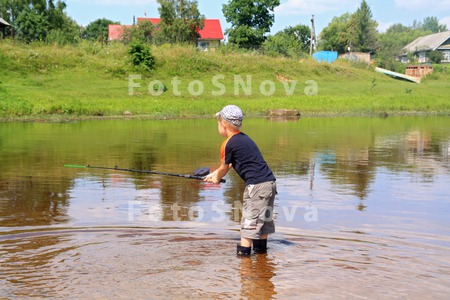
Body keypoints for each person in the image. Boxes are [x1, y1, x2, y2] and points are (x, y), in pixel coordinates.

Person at [204, 105, 277, 256]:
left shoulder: (228, 144)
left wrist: (217, 178)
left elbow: (225, 168)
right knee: (262, 224)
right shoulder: (243, 138)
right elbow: (229, 164)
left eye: (218, 124)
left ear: (224, 124)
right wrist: (215, 174)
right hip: (269, 184)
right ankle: (262, 259)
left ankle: (244, 264)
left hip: (256, 187)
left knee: (248, 226)